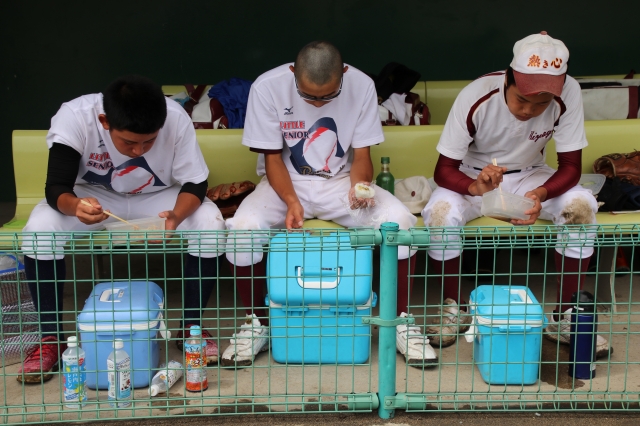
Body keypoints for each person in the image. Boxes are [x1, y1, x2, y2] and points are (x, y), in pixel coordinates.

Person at [223, 41, 435, 368]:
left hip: (341, 181)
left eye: (328, 96)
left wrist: (360, 188)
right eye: (308, 96)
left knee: (400, 221)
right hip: (285, 184)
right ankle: (257, 323)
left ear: (344, 73)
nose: (317, 103)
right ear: (293, 73)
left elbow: (362, 155)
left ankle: (399, 322)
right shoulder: (267, 87)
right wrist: (291, 201)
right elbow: (272, 160)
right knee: (242, 227)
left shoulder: (362, 85)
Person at [19, 75, 226, 383]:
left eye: (149, 141)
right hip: (93, 198)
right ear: (105, 121)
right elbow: (56, 187)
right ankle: (50, 338)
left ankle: (190, 328)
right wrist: (75, 206)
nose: (139, 150)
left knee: (210, 223)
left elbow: (196, 183)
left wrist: (175, 217)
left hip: (159, 196)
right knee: (39, 229)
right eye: (129, 142)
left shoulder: (174, 117)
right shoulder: (76, 116)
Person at [421, 31, 612, 358]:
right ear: (508, 78)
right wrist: (475, 187)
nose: (528, 110)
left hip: (530, 173)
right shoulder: (477, 94)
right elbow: (444, 170)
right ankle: (455, 308)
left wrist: (541, 194)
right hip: (474, 175)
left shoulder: (569, 91)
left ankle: (564, 316)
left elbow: (570, 167)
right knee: (441, 212)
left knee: (581, 206)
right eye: (521, 99)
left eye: (541, 104)